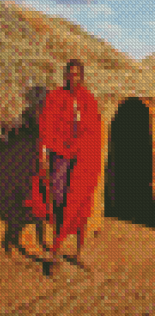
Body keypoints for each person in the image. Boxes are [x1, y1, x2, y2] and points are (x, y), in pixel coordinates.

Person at [26, 59, 102, 275]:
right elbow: (46, 126)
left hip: (84, 158)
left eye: (77, 75)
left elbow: (94, 130)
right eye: (70, 74)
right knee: (59, 199)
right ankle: (56, 249)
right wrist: (44, 152)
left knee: (81, 203)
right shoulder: (55, 97)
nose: (73, 78)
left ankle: (78, 252)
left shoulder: (88, 99)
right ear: (64, 76)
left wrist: (86, 151)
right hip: (61, 155)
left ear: (82, 77)